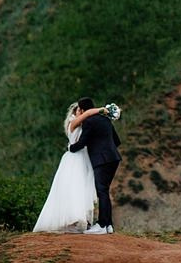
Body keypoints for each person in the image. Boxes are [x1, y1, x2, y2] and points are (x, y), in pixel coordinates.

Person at [32, 102, 99, 233]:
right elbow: (89, 113)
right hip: (75, 158)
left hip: (83, 157)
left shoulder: (84, 124)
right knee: (73, 186)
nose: (80, 112)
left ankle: (83, 219)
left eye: (81, 110)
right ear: (75, 113)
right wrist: (104, 110)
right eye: (78, 110)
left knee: (83, 187)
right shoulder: (72, 123)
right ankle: (72, 218)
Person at [67, 97, 122, 234]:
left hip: (101, 160)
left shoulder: (88, 122)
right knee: (104, 190)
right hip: (113, 158)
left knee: (101, 191)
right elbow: (117, 141)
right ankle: (108, 225)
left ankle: (102, 225)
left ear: (83, 110)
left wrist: (70, 148)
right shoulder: (105, 119)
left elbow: (83, 142)